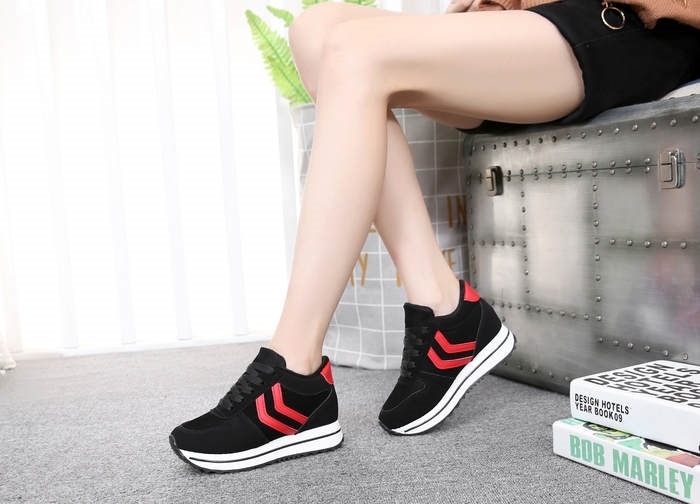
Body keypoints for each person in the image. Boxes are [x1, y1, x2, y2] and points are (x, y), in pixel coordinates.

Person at [169, 0, 700, 472]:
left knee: (355, 51)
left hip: (629, 26)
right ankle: (443, 304)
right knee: (315, 28)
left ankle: (295, 368)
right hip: (525, 24)